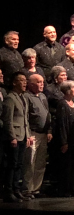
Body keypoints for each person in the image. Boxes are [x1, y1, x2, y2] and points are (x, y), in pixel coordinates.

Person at [2, 72, 31, 202]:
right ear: (14, 82)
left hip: (23, 136)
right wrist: (12, 136)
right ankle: (8, 191)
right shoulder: (10, 98)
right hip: (15, 136)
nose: (25, 83)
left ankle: (16, 189)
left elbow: (26, 119)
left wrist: (28, 136)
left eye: (25, 80)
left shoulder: (23, 98)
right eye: (21, 80)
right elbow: (8, 120)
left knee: (19, 164)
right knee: (12, 164)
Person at [54, 80, 74, 197]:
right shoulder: (62, 104)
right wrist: (64, 142)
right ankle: (65, 189)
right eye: (73, 88)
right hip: (68, 138)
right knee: (66, 166)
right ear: (67, 90)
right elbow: (62, 124)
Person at [22, 74, 51, 197]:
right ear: (31, 84)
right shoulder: (27, 97)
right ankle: (28, 189)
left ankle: (36, 188)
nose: (41, 84)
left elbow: (48, 114)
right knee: (30, 162)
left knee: (40, 163)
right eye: (38, 82)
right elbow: (26, 117)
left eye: (42, 82)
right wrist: (28, 135)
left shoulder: (43, 96)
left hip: (44, 134)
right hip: (33, 133)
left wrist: (49, 130)